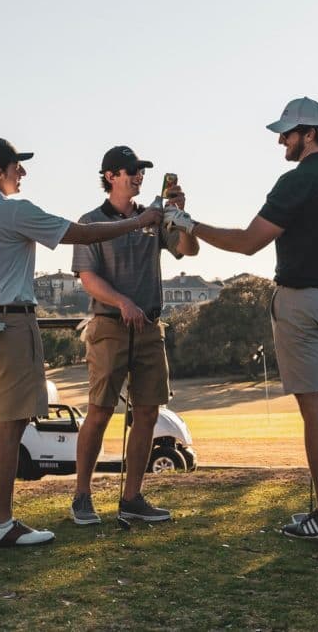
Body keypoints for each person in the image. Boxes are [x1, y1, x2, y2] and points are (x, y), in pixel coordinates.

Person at [166, 98, 318, 541]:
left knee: (315, 410)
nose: (280, 141)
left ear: (308, 134)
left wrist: (189, 224)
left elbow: (250, 242)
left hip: (300, 303)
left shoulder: (297, 181)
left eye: (287, 134)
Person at [0, 137, 162, 548]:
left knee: (5, 420)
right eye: (16, 166)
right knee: (14, 424)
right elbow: (81, 233)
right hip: (13, 323)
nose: (21, 173)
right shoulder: (13, 211)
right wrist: (138, 222)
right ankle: (2, 522)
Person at [69, 146, 198, 525]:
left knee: (147, 412)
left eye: (141, 171)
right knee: (100, 411)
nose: (138, 176)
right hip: (109, 326)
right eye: (131, 170)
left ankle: (132, 498)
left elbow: (188, 251)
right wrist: (123, 301)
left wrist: (182, 217)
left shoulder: (155, 218)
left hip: (149, 328)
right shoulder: (90, 222)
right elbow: (88, 279)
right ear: (110, 176)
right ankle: (82, 496)